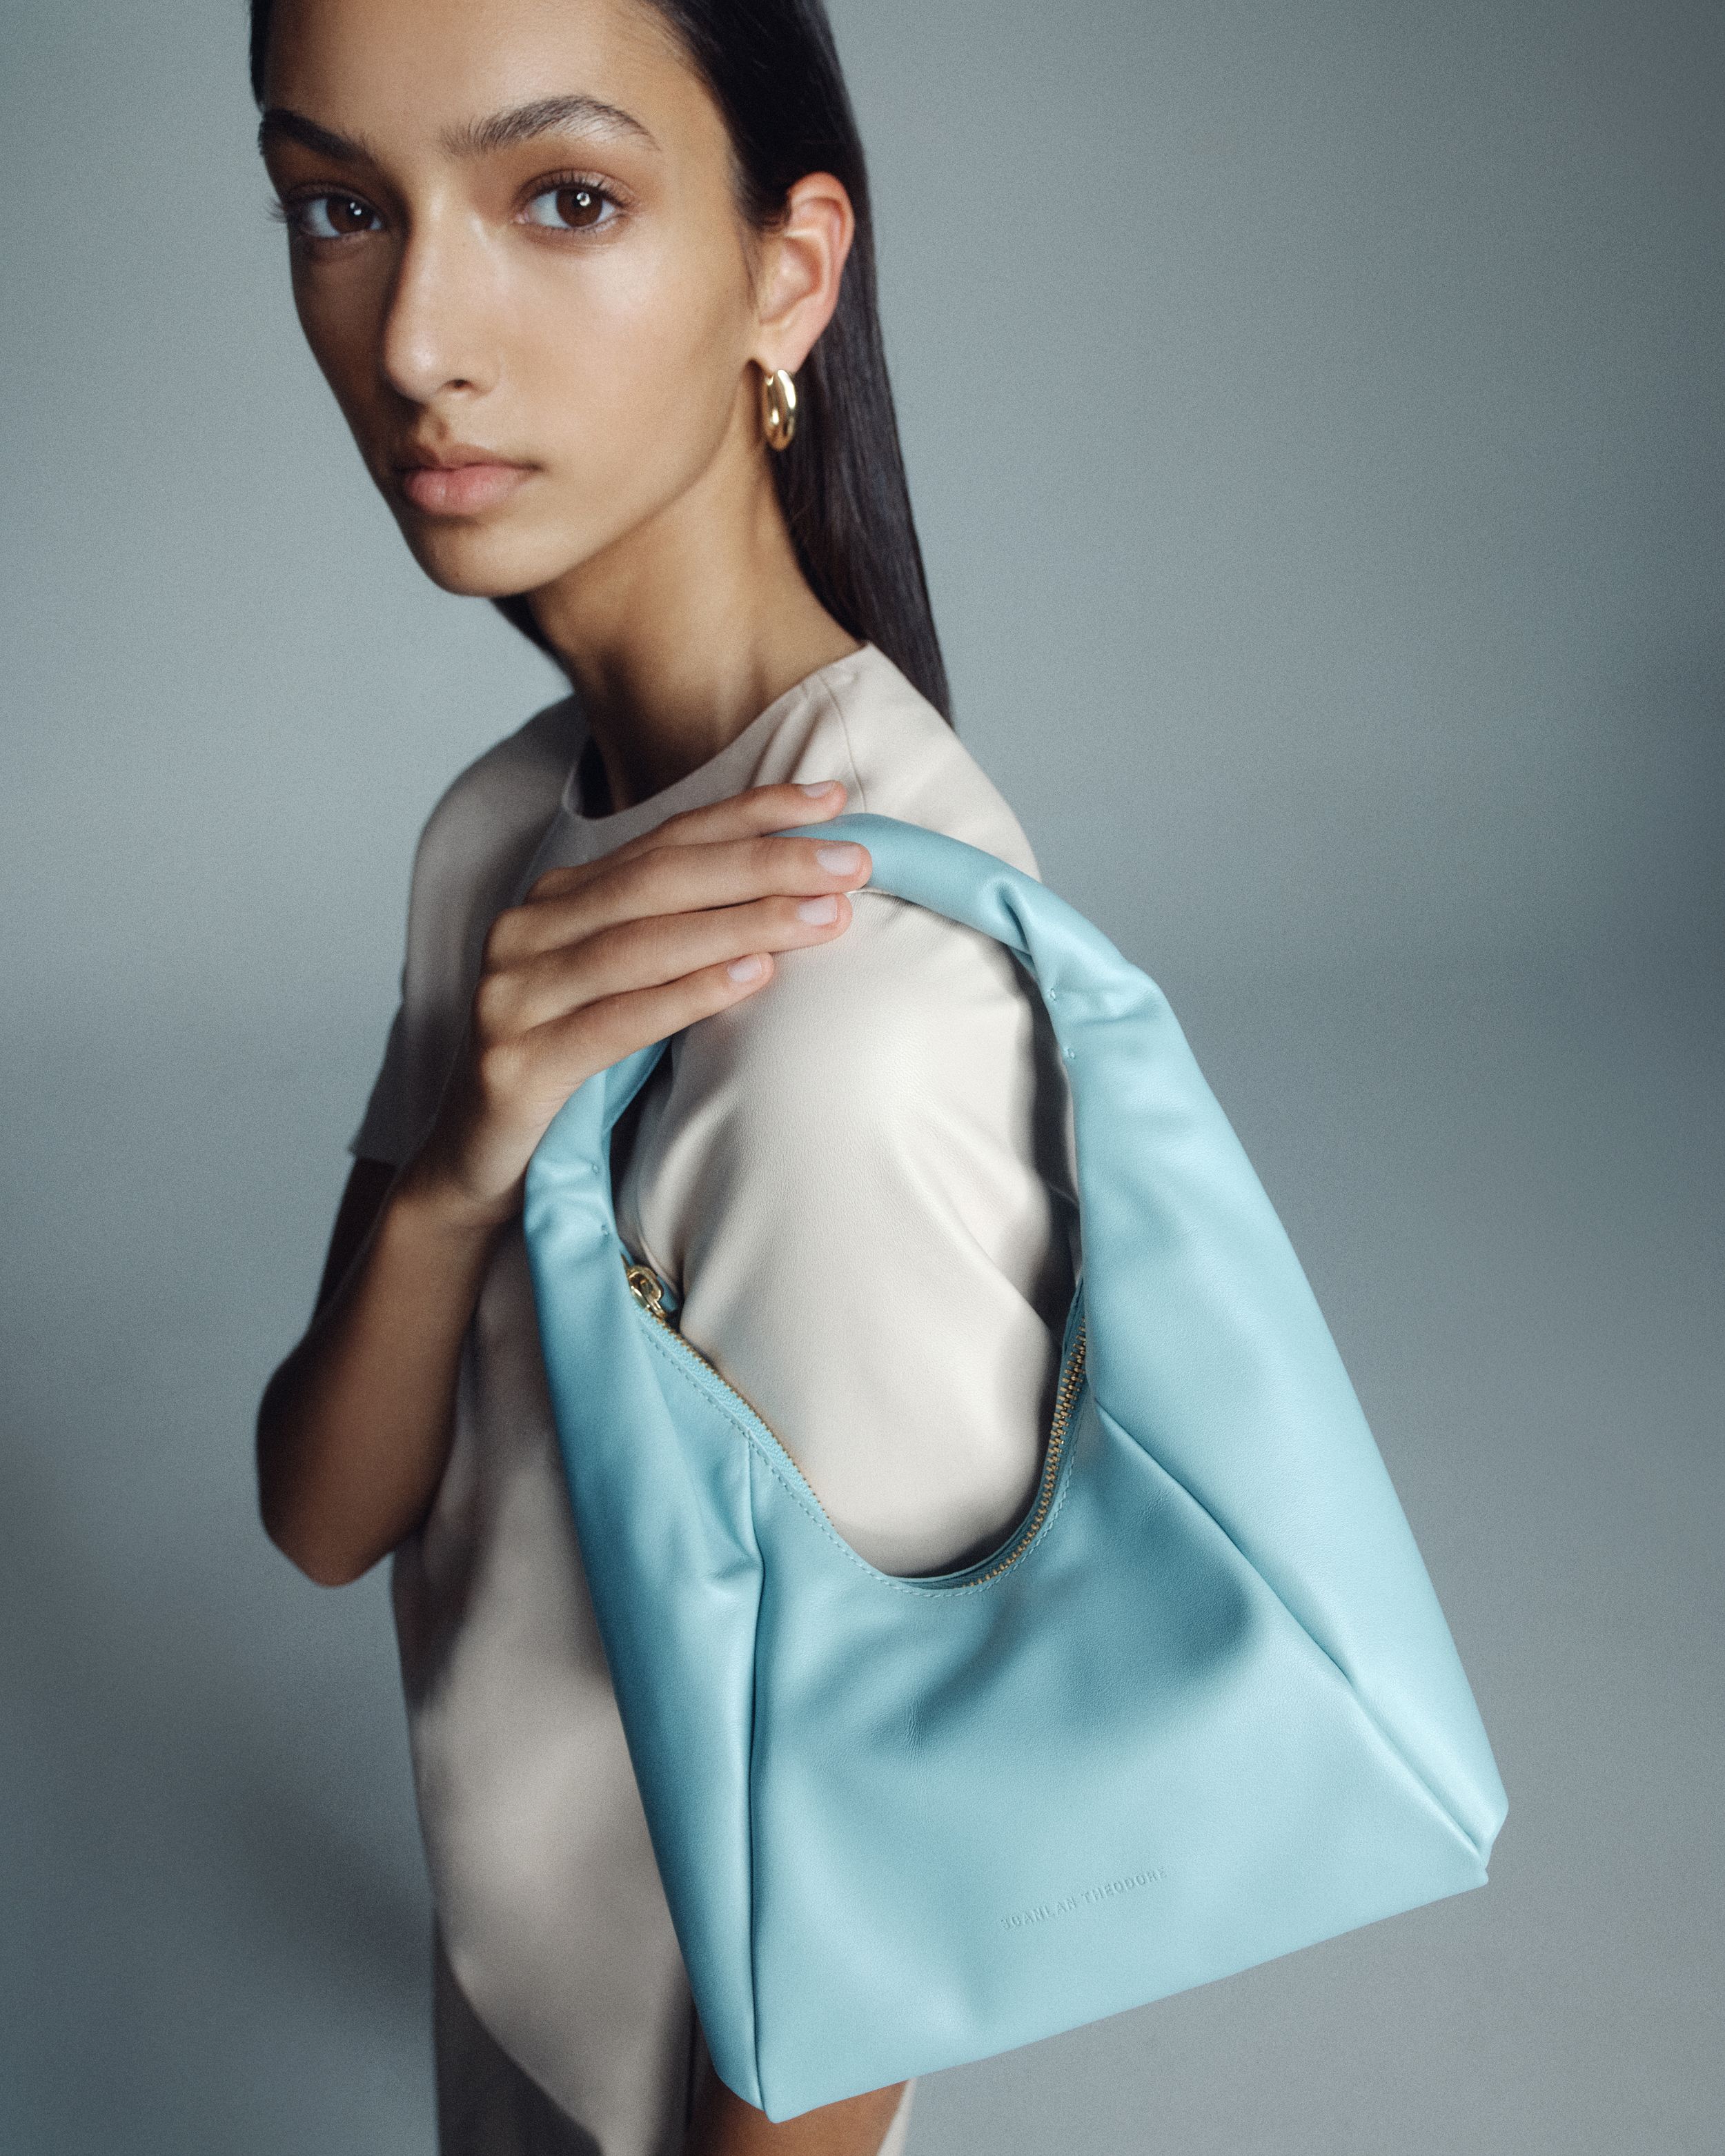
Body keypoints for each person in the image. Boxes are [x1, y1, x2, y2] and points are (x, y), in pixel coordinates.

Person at [252, 1, 1078, 2150]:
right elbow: (328, 1514)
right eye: (341, 202)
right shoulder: (507, 837)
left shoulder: (849, 1003)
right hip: (509, 2009)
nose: (417, 333)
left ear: (787, 273)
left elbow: (878, 1855)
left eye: (564, 198)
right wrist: (455, 1173)